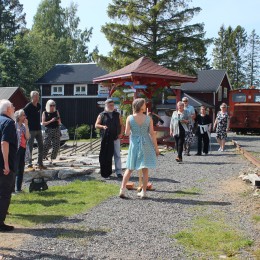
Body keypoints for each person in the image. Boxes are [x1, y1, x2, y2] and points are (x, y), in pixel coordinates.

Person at [119, 98, 159, 199]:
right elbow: (152, 133)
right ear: (141, 106)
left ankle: (122, 190)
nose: (146, 106)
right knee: (145, 169)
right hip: (146, 144)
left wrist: (133, 131)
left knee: (129, 168)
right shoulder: (148, 118)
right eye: (144, 104)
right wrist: (156, 148)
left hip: (134, 144)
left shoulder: (130, 118)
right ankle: (144, 192)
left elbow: (127, 133)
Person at [95, 99, 123, 179]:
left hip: (116, 137)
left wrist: (121, 133)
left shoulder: (117, 114)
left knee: (117, 155)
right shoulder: (102, 115)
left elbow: (121, 125)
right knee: (107, 155)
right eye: (110, 105)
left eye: (113, 105)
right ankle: (107, 172)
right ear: (106, 105)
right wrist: (102, 127)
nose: (112, 107)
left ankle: (119, 172)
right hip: (106, 138)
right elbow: (96, 125)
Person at [0, 100, 17, 232]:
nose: (14, 108)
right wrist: (6, 164)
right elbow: (4, 143)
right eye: (12, 107)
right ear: (8, 110)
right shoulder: (9, 122)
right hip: (4, 164)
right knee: (5, 193)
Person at [24, 91, 46, 169]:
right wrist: (26, 125)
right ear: (32, 97)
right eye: (36, 96)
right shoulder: (28, 106)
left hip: (38, 129)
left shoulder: (39, 106)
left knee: (41, 146)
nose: (37, 98)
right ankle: (29, 163)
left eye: (38, 96)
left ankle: (40, 163)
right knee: (30, 146)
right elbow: (23, 116)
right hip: (31, 129)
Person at [14, 110, 30, 192]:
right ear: (19, 117)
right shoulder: (14, 125)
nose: (25, 117)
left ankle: (18, 189)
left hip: (23, 149)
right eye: (24, 115)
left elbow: (28, 137)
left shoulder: (24, 126)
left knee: (21, 169)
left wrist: (26, 125)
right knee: (15, 169)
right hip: (16, 149)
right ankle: (12, 189)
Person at [42, 100, 61, 164]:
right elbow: (43, 123)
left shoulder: (56, 112)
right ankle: (42, 157)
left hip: (56, 129)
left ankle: (52, 159)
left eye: (53, 105)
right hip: (48, 129)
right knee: (46, 144)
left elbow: (59, 122)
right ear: (48, 106)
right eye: (51, 105)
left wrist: (58, 120)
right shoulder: (44, 113)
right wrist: (51, 121)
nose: (52, 107)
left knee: (56, 145)